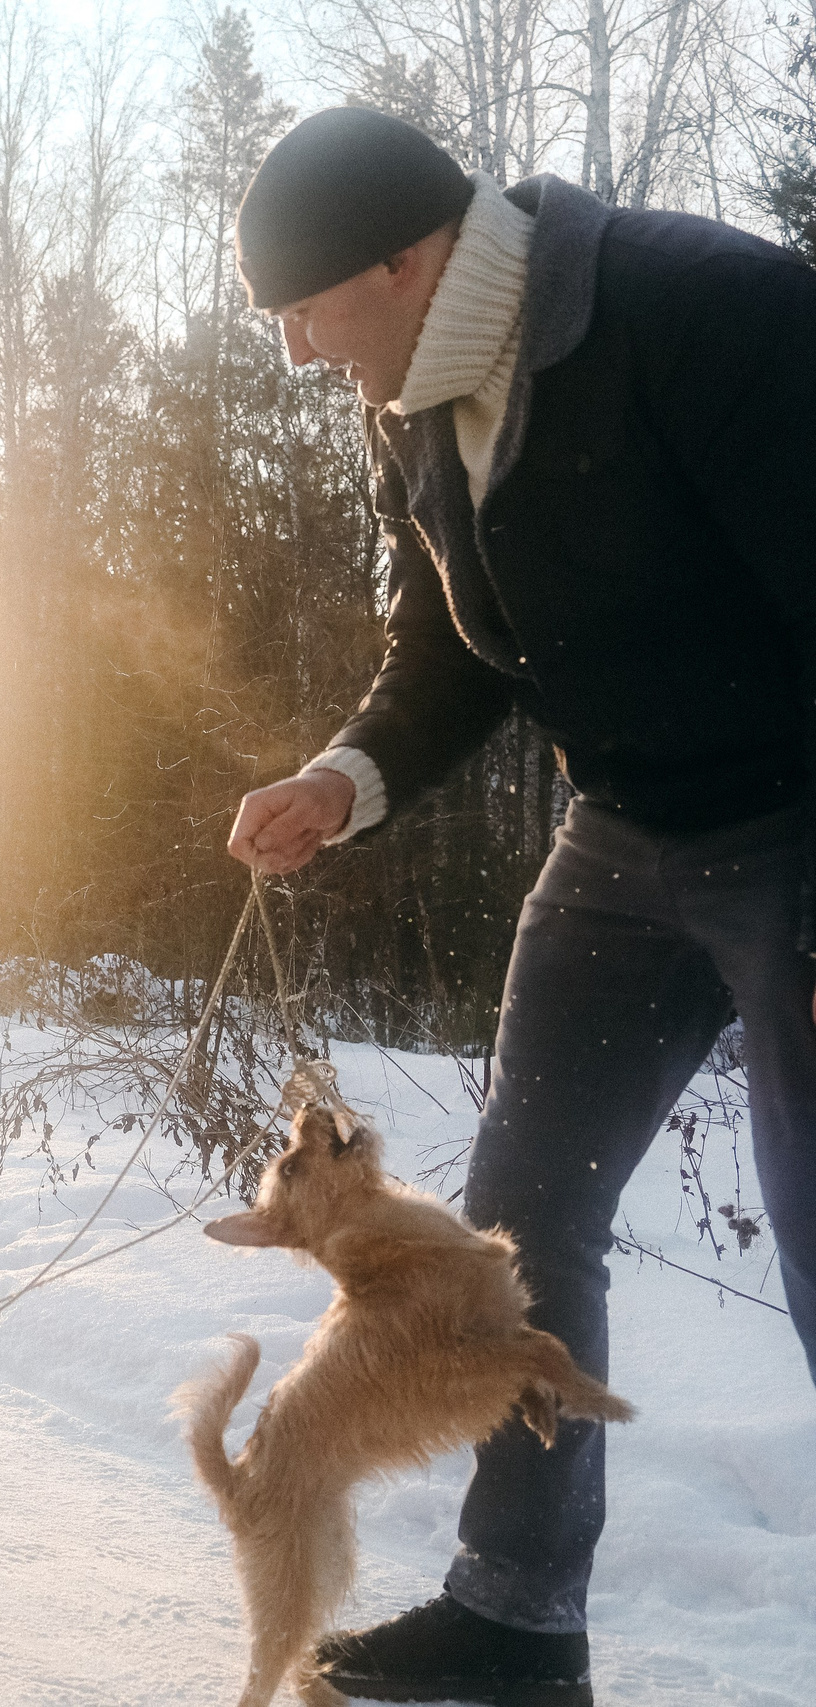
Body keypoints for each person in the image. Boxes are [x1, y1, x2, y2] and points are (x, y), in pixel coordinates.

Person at [223, 106, 816, 1706]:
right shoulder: (409, 400)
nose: (295, 350)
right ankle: (517, 1618)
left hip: (795, 827)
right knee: (518, 1220)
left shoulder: (701, 311)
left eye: (303, 310)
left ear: (404, 261)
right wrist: (343, 778)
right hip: (621, 831)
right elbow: (446, 646)